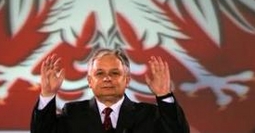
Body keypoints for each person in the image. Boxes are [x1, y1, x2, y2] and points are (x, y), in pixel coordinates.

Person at [30, 48, 190, 133]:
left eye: (115, 73)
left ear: (127, 80)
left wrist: (164, 95)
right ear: (89, 81)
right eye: (100, 73)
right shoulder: (72, 113)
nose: (107, 78)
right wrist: (47, 95)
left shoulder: (149, 115)